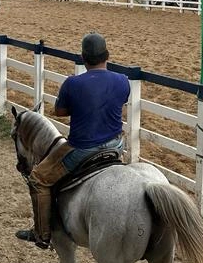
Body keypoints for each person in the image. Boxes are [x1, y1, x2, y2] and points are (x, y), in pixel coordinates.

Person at [16, 32, 130, 247]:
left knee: (38, 178)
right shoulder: (123, 81)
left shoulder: (73, 83)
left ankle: (42, 234)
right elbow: (120, 103)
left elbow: (59, 111)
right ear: (107, 56)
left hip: (82, 147)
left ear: (83, 58)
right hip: (116, 145)